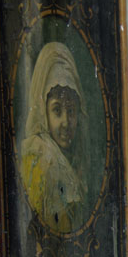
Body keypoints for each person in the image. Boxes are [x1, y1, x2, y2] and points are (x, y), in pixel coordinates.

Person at [20, 42, 88, 233]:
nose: (66, 122)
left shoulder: (71, 159)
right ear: (43, 113)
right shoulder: (43, 158)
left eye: (71, 111)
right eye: (57, 110)